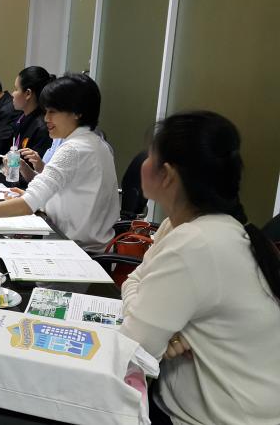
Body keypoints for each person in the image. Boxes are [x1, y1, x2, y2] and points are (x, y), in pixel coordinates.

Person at [119, 111, 280, 425]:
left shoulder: (197, 243)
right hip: (192, 401)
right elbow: (136, 278)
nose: (142, 163)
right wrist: (163, 330)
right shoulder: (185, 227)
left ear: (167, 174)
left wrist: (146, 319)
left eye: (149, 155)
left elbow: (134, 345)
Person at [0, 73, 119, 253]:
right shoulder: (94, 142)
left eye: (53, 112)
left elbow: (27, 205)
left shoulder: (74, 149)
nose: (46, 118)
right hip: (84, 243)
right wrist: (31, 195)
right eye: (46, 111)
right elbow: (70, 195)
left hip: (76, 250)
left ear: (77, 113)